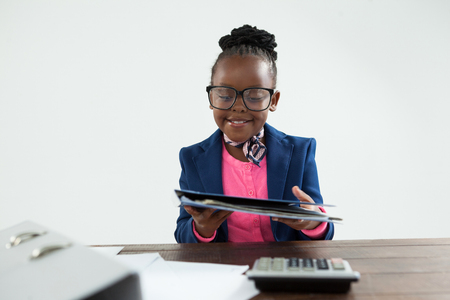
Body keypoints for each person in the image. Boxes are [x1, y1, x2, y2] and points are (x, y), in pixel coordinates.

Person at [174, 24, 334, 243]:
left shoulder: (300, 152)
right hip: (224, 270)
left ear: (273, 101)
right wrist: (201, 228)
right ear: (211, 98)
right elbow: (182, 233)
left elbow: (323, 228)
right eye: (224, 94)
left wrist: (313, 223)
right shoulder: (193, 159)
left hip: (282, 271)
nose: (238, 106)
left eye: (255, 95)